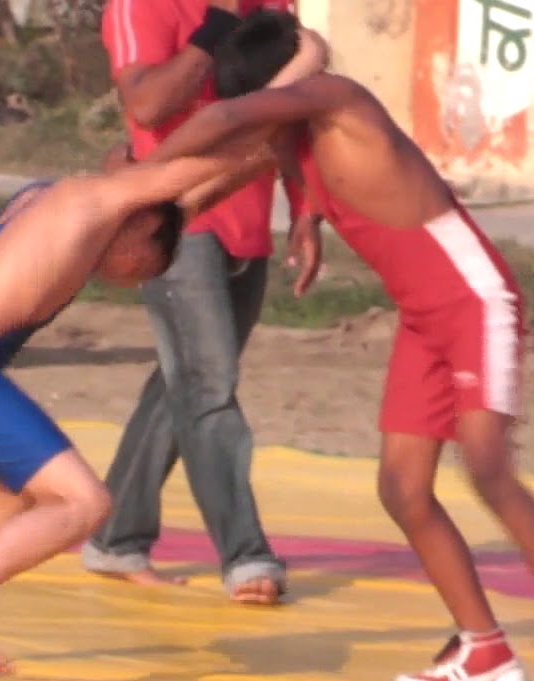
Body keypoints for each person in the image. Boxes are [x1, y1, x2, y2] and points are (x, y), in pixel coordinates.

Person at [147, 11, 534, 681]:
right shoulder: (292, 135)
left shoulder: (340, 100)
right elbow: (265, 156)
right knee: (401, 489)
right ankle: (482, 647)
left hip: (473, 298)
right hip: (424, 319)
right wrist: (305, 217)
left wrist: (143, 171)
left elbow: (233, 120)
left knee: (487, 465)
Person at [0, 141, 277, 675]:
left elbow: (190, 199)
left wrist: (270, 151)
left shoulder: (62, 210)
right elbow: (180, 177)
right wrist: (280, 134)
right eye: (152, 262)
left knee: (9, 497)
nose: (139, 278)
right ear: (140, 226)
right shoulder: (89, 202)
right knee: (85, 504)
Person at [82, 0, 322, 607]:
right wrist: (214, 24)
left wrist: (304, 208)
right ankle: (246, 554)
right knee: (208, 386)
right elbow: (146, 106)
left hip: (245, 219)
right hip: (177, 227)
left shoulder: (273, 7)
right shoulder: (143, 6)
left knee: (180, 384)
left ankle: (114, 538)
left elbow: (293, 112)